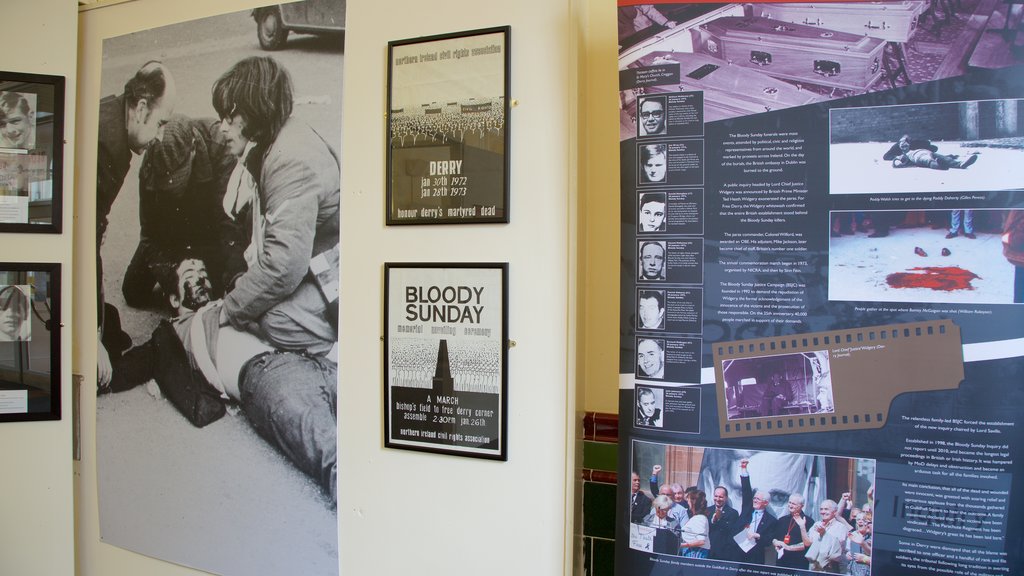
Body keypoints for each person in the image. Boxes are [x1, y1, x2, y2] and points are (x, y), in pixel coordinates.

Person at [101, 257, 337, 504]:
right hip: (269, 379)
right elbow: (124, 369)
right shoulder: (173, 332)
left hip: (313, 360)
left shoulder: (234, 302)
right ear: (174, 299)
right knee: (333, 455)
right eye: (190, 273)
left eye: (203, 270)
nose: (201, 275)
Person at [211, 56, 339, 356]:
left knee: (276, 319)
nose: (221, 128)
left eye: (230, 117)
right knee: (252, 295)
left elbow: (284, 266)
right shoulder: (279, 140)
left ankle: (343, 357)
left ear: (255, 112)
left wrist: (228, 310)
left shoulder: (289, 160)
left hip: (335, 269)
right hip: (320, 256)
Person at [96, 61, 178, 387]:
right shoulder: (108, 147)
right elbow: (81, 243)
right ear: (141, 108)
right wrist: (90, 337)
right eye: (160, 123)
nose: (159, 137)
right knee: (103, 365)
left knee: (111, 325)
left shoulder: (113, 114)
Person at [121, 114, 242, 309]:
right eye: (167, 185)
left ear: (193, 149)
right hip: (171, 230)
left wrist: (234, 275)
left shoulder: (220, 146)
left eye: (179, 179)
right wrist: (174, 278)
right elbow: (150, 235)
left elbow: (228, 221)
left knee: (219, 291)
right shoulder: (150, 165)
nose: (173, 190)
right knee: (134, 292)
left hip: (209, 227)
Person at [735, 458, 778, 565]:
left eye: (758, 499)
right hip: (738, 551)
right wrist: (744, 469)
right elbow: (746, 490)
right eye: (754, 498)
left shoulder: (771, 520)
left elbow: (769, 540)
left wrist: (757, 536)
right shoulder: (747, 510)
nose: (754, 500)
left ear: (765, 503)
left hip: (755, 555)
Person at [804, 499, 851, 573]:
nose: (823, 512)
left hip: (831, 568)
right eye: (821, 509)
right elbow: (808, 543)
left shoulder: (841, 527)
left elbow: (838, 547)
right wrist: (802, 527)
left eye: (826, 509)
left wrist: (824, 534)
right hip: (814, 567)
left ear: (835, 512)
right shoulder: (816, 525)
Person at [883, 135, 977, 170]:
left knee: (944, 158)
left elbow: (932, 147)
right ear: (899, 146)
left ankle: (960, 164)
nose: (904, 145)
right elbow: (895, 163)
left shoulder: (915, 144)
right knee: (929, 161)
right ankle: (941, 166)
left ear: (910, 143)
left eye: (906, 144)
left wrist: (950, 156)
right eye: (902, 145)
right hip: (918, 157)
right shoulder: (903, 155)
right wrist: (897, 159)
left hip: (926, 152)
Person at [773, 493, 814, 568]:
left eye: (794, 504)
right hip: (781, 560)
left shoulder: (809, 521)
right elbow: (774, 537)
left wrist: (788, 548)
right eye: (789, 502)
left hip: (798, 561)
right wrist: (776, 543)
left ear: (802, 506)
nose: (790, 505)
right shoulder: (782, 520)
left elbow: (808, 544)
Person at [708, 485, 740, 560]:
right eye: (716, 496)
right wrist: (713, 520)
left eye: (721, 497)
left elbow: (731, 531)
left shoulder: (733, 513)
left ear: (726, 498)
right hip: (708, 550)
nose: (718, 499)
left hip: (723, 553)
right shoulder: (707, 510)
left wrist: (720, 520)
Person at [680, 490, 710, 558]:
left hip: (695, 553)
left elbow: (701, 541)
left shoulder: (700, 518)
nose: (687, 502)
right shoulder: (696, 517)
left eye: (689, 500)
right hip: (690, 551)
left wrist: (682, 545)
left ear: (693, 502)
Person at [846, 511, 872, 576]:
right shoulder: (853, 535)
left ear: (869, 523)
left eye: (863, 520)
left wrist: (864, 559)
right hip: (852, 571)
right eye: (858, 519)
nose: (860, 521)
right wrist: (847, 553)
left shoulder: (872, 537)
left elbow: (876, 558)